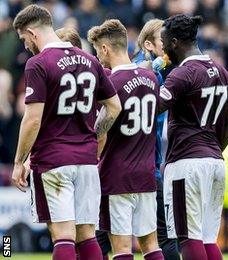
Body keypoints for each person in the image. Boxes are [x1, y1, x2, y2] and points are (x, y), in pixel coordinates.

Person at [10, 4, 121, 260]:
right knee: (87, 236)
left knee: (62, 235)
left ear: (32, 32)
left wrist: (18, 161)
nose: (25, 45)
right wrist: (92, 136)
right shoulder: (91, 60)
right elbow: (114, 107)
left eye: (24, 39)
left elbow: (32, 120)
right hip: (86, 161)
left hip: (53, 161)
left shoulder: (38, 64)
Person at [158, 14, 228, 260]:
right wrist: (212, 150)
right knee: (207, 237)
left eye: (163, 42)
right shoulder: (222, 71)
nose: (162, 48)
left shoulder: (182, 74)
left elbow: (152, 107)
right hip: (215, 161)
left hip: (186, 163)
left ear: (174, 42)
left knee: (188, 237)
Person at [87, 19, 164, 260]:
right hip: (146, 172)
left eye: (97, 50)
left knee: (121, 248)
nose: (97, 57)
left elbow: (101, 130)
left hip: (117, 174)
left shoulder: (110, 83)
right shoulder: (150, 78)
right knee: (151, 245)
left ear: (105, 49)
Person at [132, 18, 180, 260]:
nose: (171, 45)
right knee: (165, 237)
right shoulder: (148, 73)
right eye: (165, 41)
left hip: (129, 164)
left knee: (105, 235)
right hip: (148, 166)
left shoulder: (132, 70)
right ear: (149, 45)